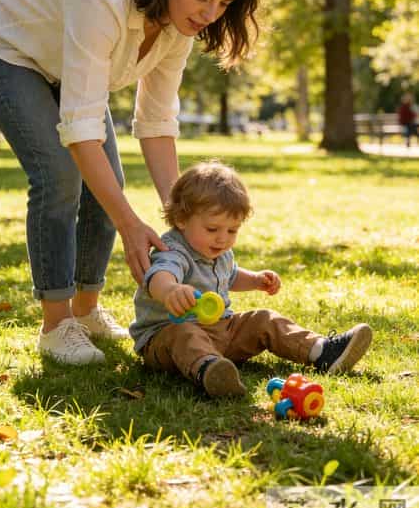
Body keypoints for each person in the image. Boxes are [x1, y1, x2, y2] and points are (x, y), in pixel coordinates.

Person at [0, 0, 259, 365]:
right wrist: (130, 224)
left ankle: (86, 313)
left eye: (223, 3)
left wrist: (186, 217)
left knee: (110, 184)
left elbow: (158, 122)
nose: (209, 14)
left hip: (64, 63)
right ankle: (55, 324)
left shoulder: (178, 26)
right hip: (6, 47)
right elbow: (81, 129)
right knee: (59, 176)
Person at [130, 162, 373, 397]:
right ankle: (209, 370)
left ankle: (322, 351)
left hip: (221, 332)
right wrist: (170, 289)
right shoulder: (173, 250)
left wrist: (255, 280)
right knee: (186, 333)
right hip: (166, 340)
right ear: (182, 220)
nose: (222, 239)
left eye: (232, 231)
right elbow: (158, 276)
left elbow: (231, 276)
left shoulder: (219, 252)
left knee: (264, 319)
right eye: (212, 229)